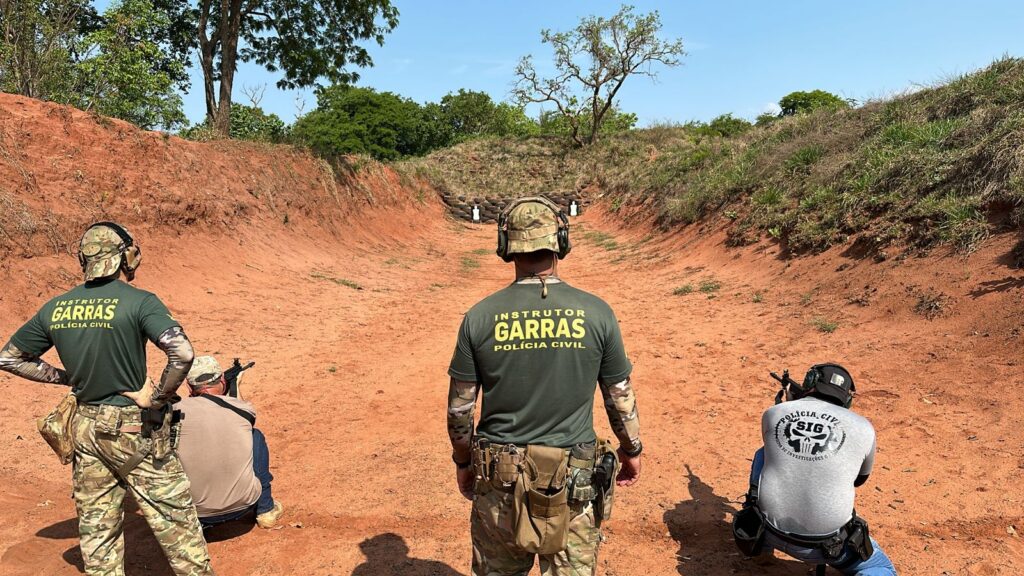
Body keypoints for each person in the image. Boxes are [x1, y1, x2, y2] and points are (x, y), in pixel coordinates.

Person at [0, 222, 214, 575]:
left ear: (84, 259)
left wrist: (68, 377)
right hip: (134, 429)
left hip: (84, 428)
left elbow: (9, 358)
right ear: (124, 257)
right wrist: (158, 397)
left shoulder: (57, 307)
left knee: (98, 533)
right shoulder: (141, 301)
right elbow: (182, 353)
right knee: (177, 524)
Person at [447, 196, 643, 575]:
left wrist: (463, 461)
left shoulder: (479, 317)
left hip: (499, 483)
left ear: (507, 247)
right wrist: (631, 448)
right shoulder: (597, 312)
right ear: (560, 242)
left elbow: (460, 410)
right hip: (573, 485)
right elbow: (619, 397)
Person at [736, 363, 897, 575]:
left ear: (810, 382)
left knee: (763, 453)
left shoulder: (773, 413)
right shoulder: (864, 427)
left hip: (767, 531)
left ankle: (762, 547)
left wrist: (792, 402)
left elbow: (782, 450)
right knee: (880, 567)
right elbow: (859, 479)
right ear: (847, 399)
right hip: (827, 545)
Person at [175, 355, 283, 529]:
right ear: (223, 380)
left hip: (195, 515)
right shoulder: (241, 409)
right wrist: (236, 387)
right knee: (254, 436)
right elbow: (243, 423)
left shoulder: (174, 411)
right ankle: (265, 509)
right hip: (243, 506)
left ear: (188, 385)